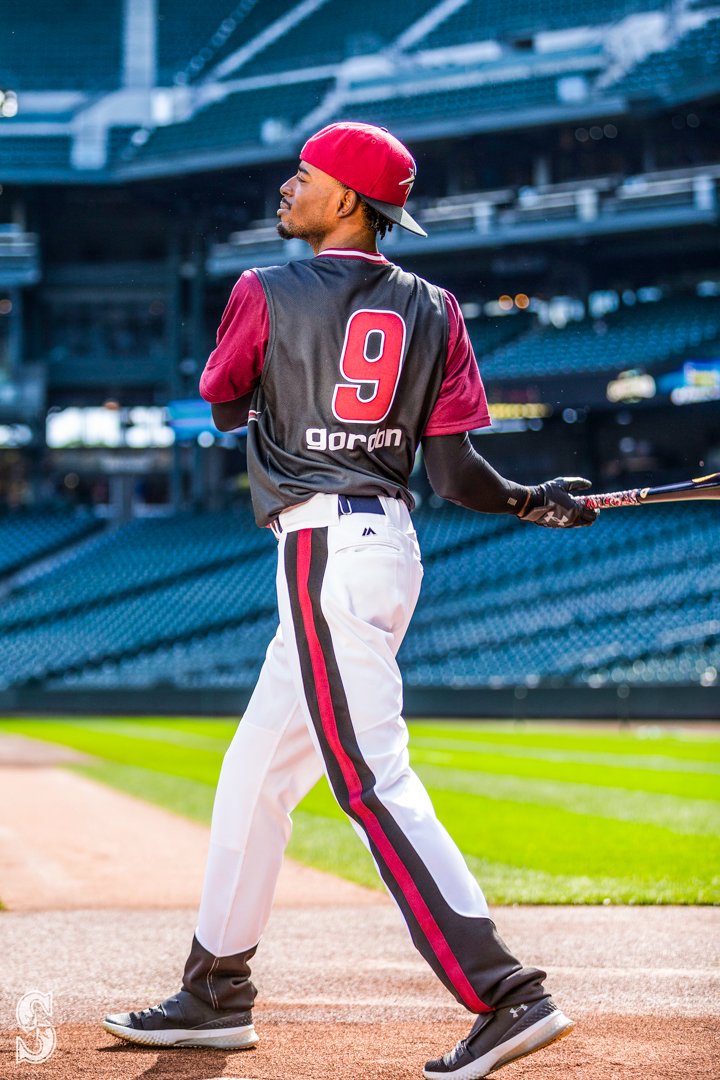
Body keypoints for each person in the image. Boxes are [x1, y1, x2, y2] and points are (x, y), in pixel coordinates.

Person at [104, 121, 597, 1078]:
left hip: (324, 547)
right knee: (254, 777)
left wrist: (291, 395)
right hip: (385, 546)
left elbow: (222, 401)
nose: (288, 187)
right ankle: (215, 992)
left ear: (346, 201)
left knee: (370, 780)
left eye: (306, 175)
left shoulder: (264, 288)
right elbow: (455, 474)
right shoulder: (436, 307)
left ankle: (508, 992)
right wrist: (534, 499)